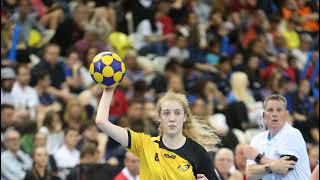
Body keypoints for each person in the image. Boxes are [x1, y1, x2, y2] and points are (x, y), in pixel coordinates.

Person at [95, 88, 220, 180]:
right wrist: (108, 90)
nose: (172, 118)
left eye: (177, 113)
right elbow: (101, 122)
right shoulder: (144, 144)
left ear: (185, 117)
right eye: (166, 113)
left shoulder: (198, 152)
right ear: (159, 117)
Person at [245, 94, 311, 179]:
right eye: (270, 110)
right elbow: (250, 174)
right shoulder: (257, 139)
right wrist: (273, 166)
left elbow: (284, 170)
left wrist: (258, 157)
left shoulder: (293, 134)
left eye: (279, 110)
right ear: (264, 115)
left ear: (286, 114)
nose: (274, 114)